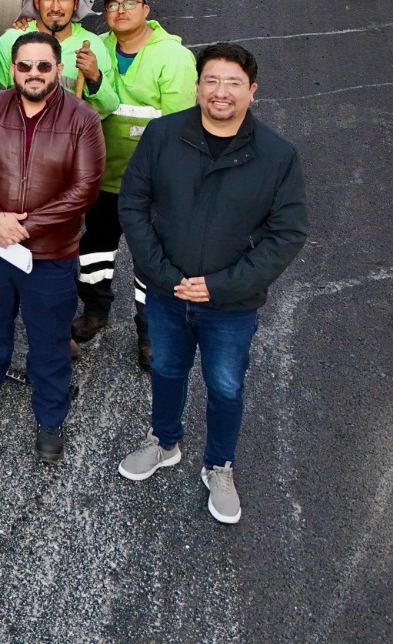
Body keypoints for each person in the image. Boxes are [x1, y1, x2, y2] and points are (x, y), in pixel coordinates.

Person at [116, 43, 307, 525]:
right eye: (212, 81)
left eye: (234, 83)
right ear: (198, 86)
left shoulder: (277, 156)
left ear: (252, 91)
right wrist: (163, 274)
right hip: (167, 293)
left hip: (231, 304)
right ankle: (165, 442)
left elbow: (286, 235)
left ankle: (219, 466)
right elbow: (133, 204)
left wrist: (221, 286)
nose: (221, 92)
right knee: (166, 369)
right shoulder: (163, 135)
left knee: (225, 386)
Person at [0, 32, 105, 463]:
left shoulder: (83, 119)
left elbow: (85, 189)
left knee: (50, 339)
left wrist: (25, 227)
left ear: (59, 69)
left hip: (50, 254)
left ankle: (51, 415)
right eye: (25, 65)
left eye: (43, 65)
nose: (34, 73)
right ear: (13, 69)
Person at [74, 0, 196, 368]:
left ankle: (150, 332)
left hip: (152, 185)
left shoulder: (174, 57)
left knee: (152, 261)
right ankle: (95, 311)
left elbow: (180, 128)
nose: (121, 10)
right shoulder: (95, 48)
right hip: (103, 177)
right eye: (112, 4)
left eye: (130, 2)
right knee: (95, 249)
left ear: (146, 9)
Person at [0, 0, 117, 113]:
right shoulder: (10, 41)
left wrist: (95, 79)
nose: (55, 8)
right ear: (37, 2)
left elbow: (108, 108)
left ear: (76, 3)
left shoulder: (94, 47)